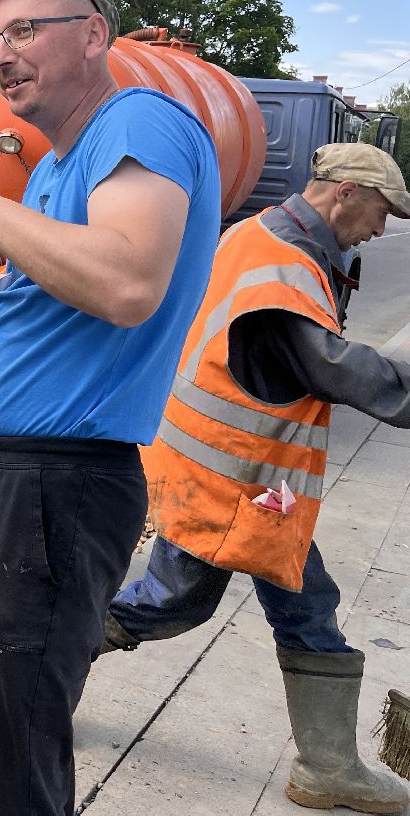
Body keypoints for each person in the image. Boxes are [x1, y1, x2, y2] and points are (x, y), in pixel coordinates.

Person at [0, 0, 221, 815]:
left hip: (58, 484)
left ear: (95, 34)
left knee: (13, 745)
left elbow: (124, 283)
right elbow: (33, 305)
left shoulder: (138, 124)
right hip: (16, 478)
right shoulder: (60, 164)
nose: (1, 54)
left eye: (27, 29)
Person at [102, 143, 410, 815]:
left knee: (303, 601)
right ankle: (44, 656)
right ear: (346, 193)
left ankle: (328, 766)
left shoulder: (256, 229)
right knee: (174, 602)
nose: (381, 232)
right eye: (381, 214)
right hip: (233, 476)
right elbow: (339, 369)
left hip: (235, 467)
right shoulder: (284, 271)